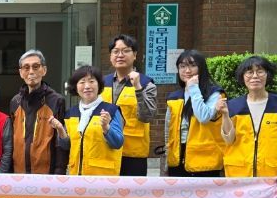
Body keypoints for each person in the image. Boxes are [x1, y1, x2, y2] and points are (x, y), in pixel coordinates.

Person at [217, 55, 277, 183]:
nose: (255, 76)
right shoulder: (233, 105)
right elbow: (228, 140)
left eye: (260, 71)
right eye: (249, 72)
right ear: (243, 76)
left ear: (267, 75)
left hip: (274, 178)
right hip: (238, 178)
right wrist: (224, 114)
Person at [49, 66, 124, 175]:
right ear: (75, 87)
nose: (87, 86)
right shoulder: (71, 113)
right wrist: (60, 130)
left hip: (103, 177)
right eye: (82, 82)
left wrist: (106, 127)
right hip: (76, 177)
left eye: (91, 81)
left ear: (99, 85)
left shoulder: (111, 110)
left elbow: (118, 143)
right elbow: (67, 146)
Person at [102, 34, 156, 176]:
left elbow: (147, 116)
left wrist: (138, 87)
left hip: (132, 154)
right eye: (115, 51)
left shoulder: (146, 83)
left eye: (126, 51)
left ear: (135, 55)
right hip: (104, 150)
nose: (120, 55)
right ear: (110, 56)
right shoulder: (101, 83)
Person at [165, 49, 225, 177]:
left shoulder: (215, 93)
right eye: (182, 66)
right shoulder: (174, 97)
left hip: (204, 160)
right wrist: (166, 158)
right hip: (177, 157)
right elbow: (168, 130)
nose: (187, 70)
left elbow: (203, 117)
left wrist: (193, 88)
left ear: (201, 68)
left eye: (192, 66)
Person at [9, 49, 67, 174]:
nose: (31, 71)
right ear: (21, 72)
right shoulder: (15, 101)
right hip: (18, 173)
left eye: (35, 67)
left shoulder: (56, 101)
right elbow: (11, 140)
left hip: (46, 174)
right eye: (26, 67)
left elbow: (60, 142)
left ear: (44, 70)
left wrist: (59, 173)